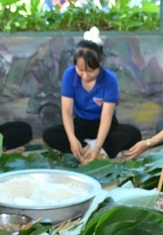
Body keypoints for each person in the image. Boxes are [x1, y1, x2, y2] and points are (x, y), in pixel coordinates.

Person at [42, 28, 142, 162]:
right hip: (81, 124)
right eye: (80, 70)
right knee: (50, 134)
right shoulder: (69, 75)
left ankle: (95, 147)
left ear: (100, 63)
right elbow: (67, 111)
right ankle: (85, 147)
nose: (85, 75)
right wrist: (72, 139)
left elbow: (106, 117)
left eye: (90, 71)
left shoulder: (109, 79)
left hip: (105, 125)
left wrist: (98, 145)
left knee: (133, 134)